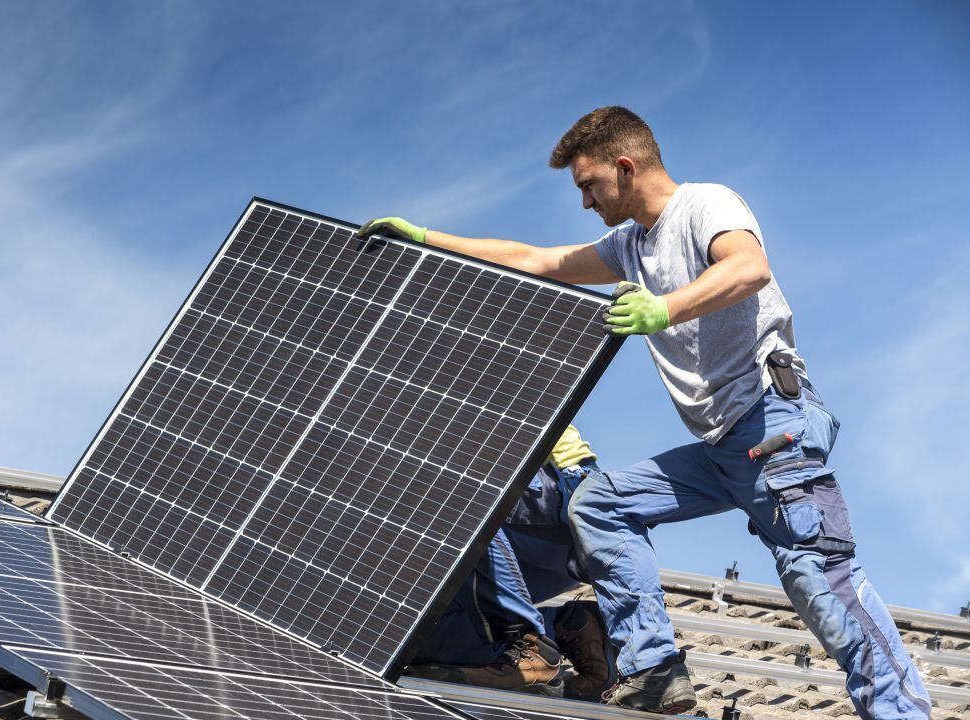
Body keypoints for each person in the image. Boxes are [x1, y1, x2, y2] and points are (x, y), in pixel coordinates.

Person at [357, 106, 930, 719]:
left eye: (587, 186)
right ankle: (653, 669)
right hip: (719, 448)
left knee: (820, 587)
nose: (584, 202)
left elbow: (749, 268)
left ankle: (901, 714)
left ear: (624, 168)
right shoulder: (631, 245)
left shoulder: (706, 205)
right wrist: (423, 238)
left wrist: (665, 310)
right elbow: (539, 259)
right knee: (599, 504)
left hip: (773, 431)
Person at [408, 426, 614, 701]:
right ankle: (569, 626)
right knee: (401, 635)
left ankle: (528, 641)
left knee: (449, 491)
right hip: (505, 549)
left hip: (555, 499)